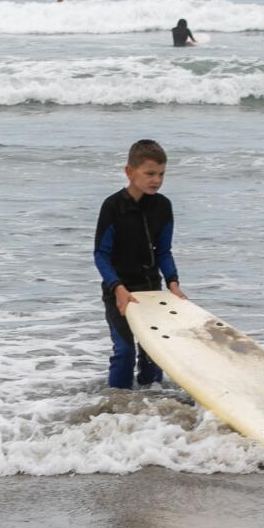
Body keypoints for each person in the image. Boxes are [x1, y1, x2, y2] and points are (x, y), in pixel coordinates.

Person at [93, 139, 182, 390]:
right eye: (150, 173)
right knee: (124, 352)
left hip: (151, 291)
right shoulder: (113, 206)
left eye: (161, 174)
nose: (156, 180)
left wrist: (173, 283)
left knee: (154, 353)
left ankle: (149, 410)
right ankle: (117, 405)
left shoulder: (163, 206)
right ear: (129, 172)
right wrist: (118, 288)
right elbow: (101, 254)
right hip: (119, 292)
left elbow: (164, 251)